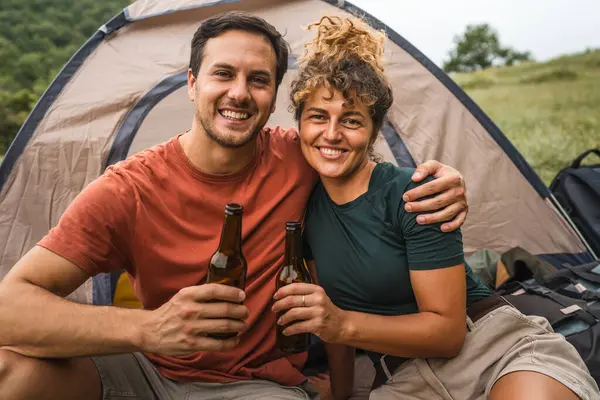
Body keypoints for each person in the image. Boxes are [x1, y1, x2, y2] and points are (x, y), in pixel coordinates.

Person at [0, 12, 469, 400]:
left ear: (274, 99)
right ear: (191, 83)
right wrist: (149, 328)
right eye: (223, 74)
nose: (240, 92)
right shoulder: (129, 190)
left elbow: (357, 162)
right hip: (145, 370)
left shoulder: (299, 157)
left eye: (258, 80)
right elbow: (9, 309)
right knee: (9, 369)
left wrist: (442, 180)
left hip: (256, 385)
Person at [271, 16, 600, 400]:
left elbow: (446, 334)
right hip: (402, 378)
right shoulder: (304, 207)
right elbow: (333, 330)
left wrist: (339, 323)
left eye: (351, 120)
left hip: (491, 347)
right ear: (298, 124)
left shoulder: (414, 194)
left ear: (374, 131)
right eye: (317, 117)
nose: (331, 134)